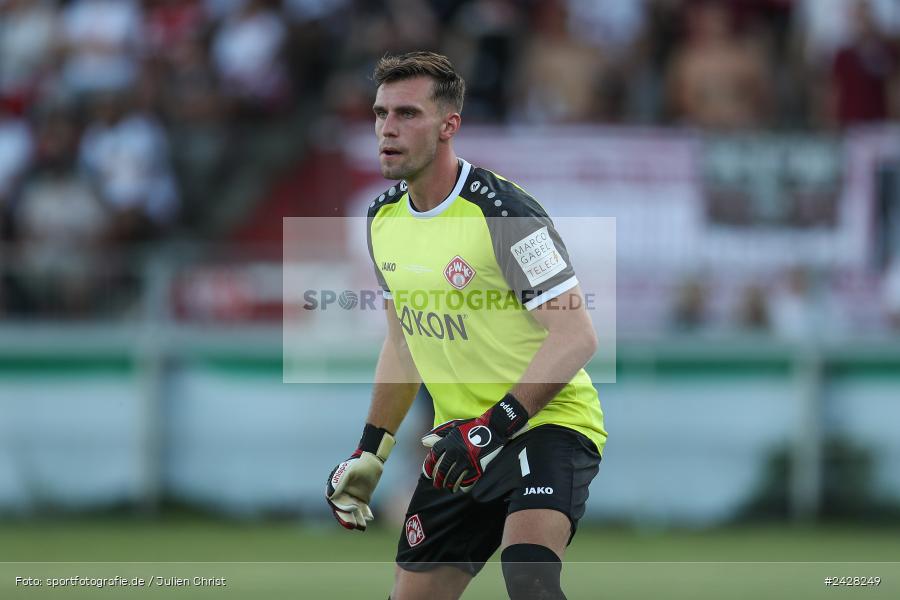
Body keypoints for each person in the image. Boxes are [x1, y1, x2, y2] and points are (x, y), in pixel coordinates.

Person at [324, 51, 606, 600]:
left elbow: (576, 336)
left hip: (544, 426)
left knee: (529, 577)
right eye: (381, 114)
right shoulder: (381, 218)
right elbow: (402, 344)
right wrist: (370, 453)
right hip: (459, 445)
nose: (387, 129)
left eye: (407, 114)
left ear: (449, 125)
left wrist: (490, 428)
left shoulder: (503, 212)